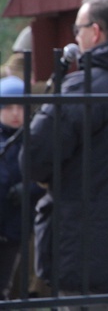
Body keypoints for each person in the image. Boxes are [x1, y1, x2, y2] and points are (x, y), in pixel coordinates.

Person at [20, 0, 108, 300]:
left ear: (95, 31)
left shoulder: (82, 86)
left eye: (78, 29)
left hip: (83, 253)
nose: (76, 36)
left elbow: (33, 158)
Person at [0, 76, 28, 300]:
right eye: (9, 107)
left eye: (20, 106)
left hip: (15, 227)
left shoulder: (32, 137)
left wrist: (27, 190)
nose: (16, 113)